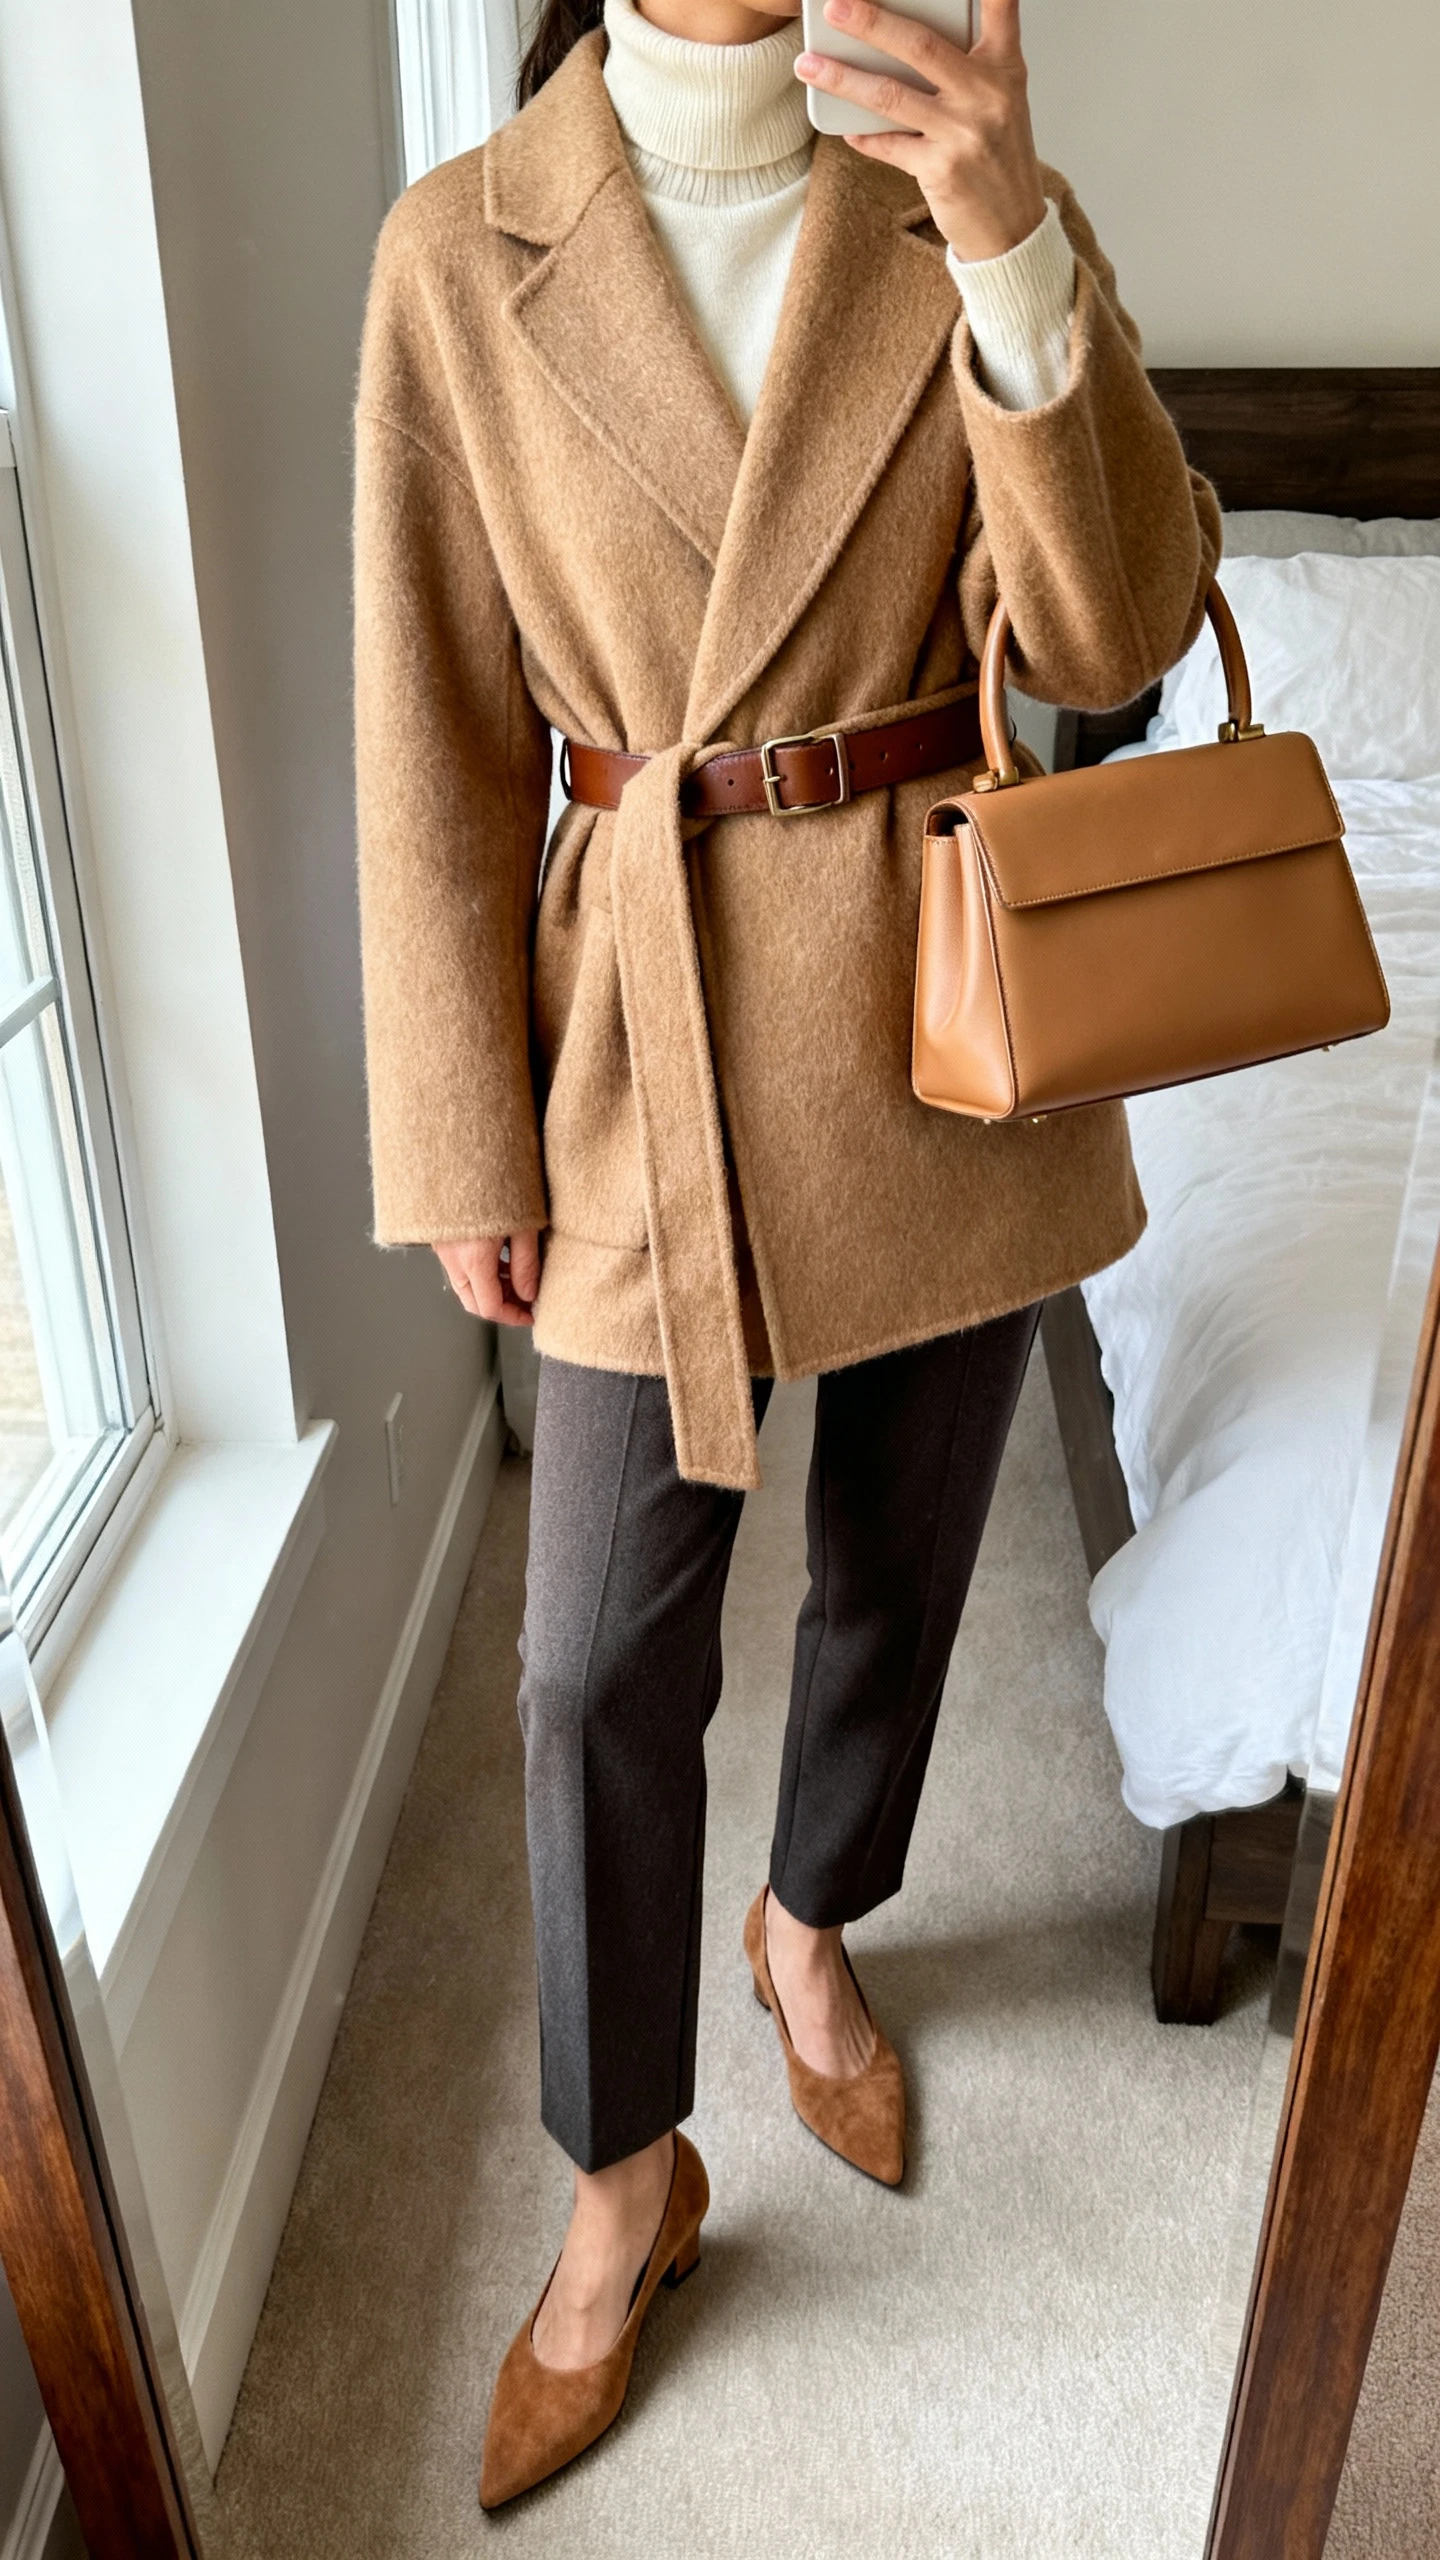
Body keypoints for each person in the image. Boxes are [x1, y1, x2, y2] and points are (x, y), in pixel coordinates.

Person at [353, 0, 1218, 2508]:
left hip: (937, 999)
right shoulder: (457, 251)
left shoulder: (952, 196)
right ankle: (629, 2174)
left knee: (902, 1562)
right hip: (642, 1022)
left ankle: (813, 1919)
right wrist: (463, 1131)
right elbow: (426, 726)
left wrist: (1015, 246)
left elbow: (1111, 635)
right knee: (590, 1660)